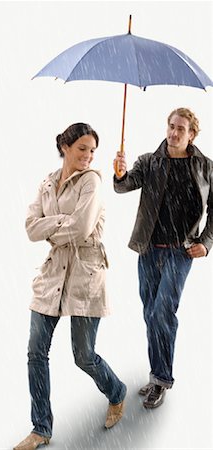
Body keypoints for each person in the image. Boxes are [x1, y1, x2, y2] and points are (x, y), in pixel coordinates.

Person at [14, 123, 126, 450]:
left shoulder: (92, 180)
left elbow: (81, 227)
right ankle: (41, 429)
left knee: (84, 355)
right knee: (36, 352)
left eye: (92, 151)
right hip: (52, 274)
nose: (88, 156)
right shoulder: (48, 182)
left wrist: (52, 228)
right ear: (65, 146)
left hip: (86, 273)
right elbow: (30, 228)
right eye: (82, 149)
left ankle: (116, 392)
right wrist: (58, 226)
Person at [113, 107, 213, 409]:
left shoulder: (206, 167)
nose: (173, 132)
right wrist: (119, 173)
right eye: (171, 126)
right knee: (150, 313)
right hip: (148, 249)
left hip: (181, 251)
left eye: (180, 129)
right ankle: (157, 373)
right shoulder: (150, 161)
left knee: (161, 313)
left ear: (191, 134)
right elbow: (124, 186)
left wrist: (206, 243)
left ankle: (161, 379)